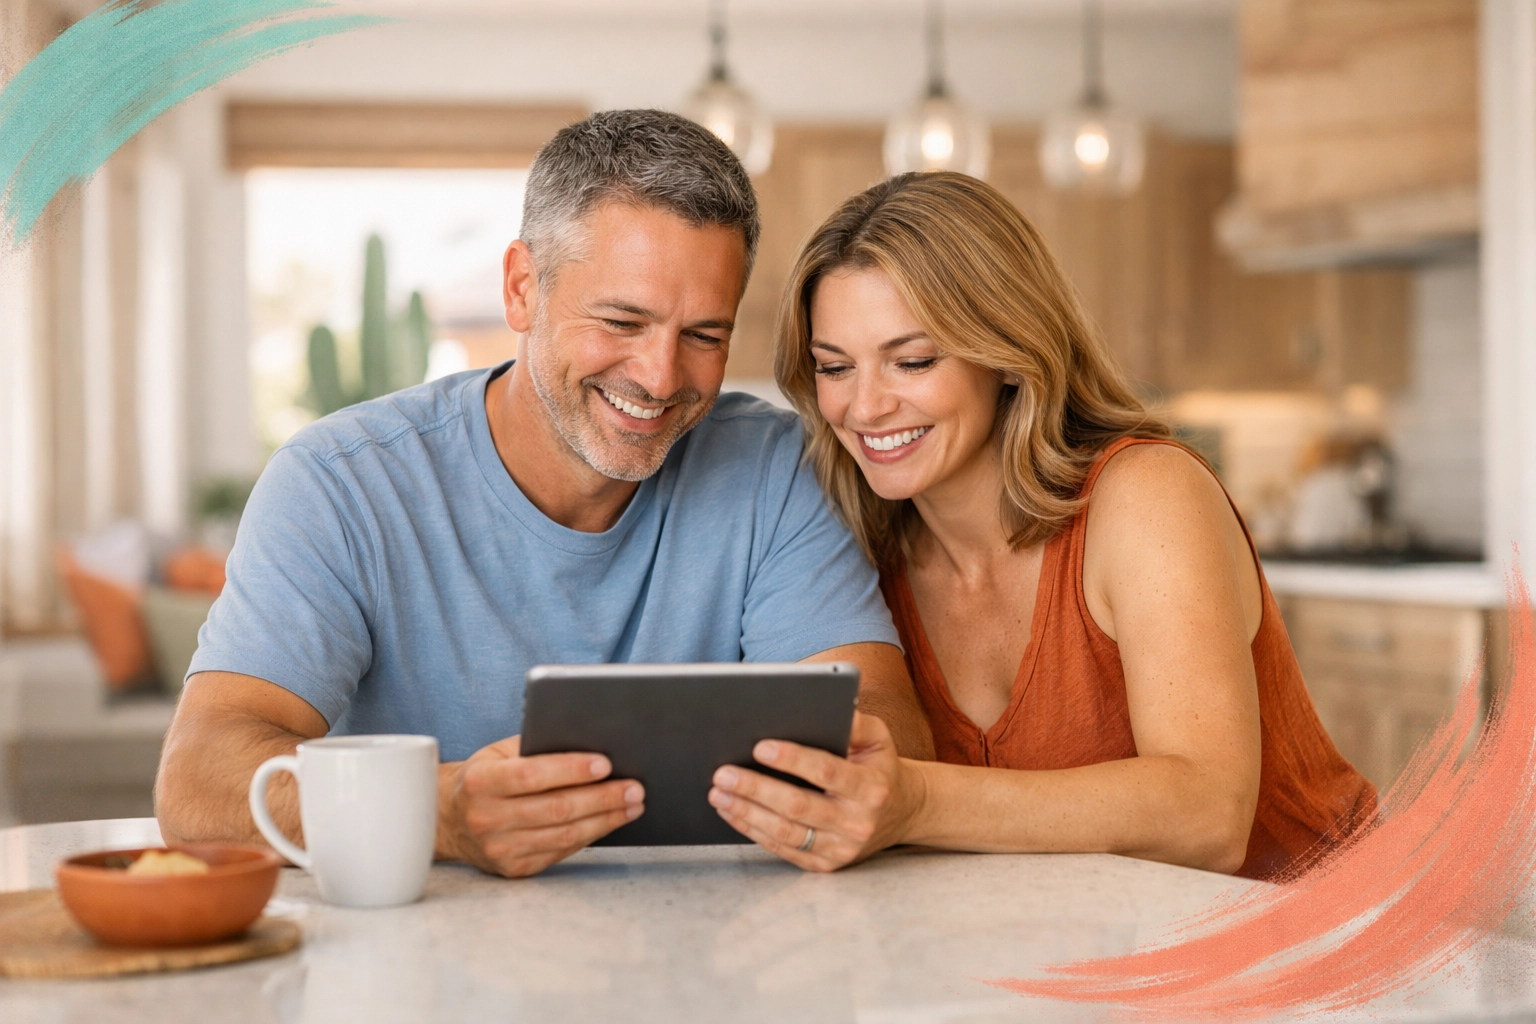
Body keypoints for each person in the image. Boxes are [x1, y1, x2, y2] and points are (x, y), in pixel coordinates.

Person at [156, 110, 934, 879]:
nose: (661, 378)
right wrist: (442, 812)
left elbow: (889, 741)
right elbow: (199, 783)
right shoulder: (340, 483)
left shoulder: (774, 467)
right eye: (622, 320)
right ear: (522, 288)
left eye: (704, 335)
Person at [706, 171, 1377, 881]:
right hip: (1099, 961)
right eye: (834, 368)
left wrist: (918, 802)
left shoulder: (1146, 497)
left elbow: (1210, 818)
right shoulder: (856, 553)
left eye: (912, 361)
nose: (865, 407)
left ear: (1004, 352)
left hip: (1327, 943)